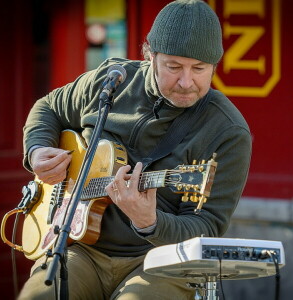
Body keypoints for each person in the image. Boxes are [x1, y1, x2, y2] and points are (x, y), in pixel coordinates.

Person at [18, 0, 252, 299]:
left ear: (214, 66)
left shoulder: (227, 130)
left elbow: (207, 226)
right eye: (173, 66)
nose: (186, 81)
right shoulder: (111, 81)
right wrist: (37, 150)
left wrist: (150, 222)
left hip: (161, 260)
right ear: (150, 56)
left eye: (199, 69)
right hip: (80, 248)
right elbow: (48, 106)